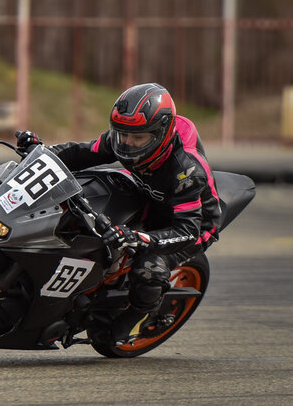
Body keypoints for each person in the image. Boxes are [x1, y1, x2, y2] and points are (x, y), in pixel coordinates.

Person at [17, 83, 221, 346]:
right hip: (150, 195)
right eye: (123, 135)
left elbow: (187, 230)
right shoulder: (126, 135)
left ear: (161, 133)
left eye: (138, 138)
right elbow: (80, 153)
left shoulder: (186, 171)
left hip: (192, 224)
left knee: (149, 268)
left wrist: (140, 238)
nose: (127, 144)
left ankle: (137, 315)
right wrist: (40, 154)